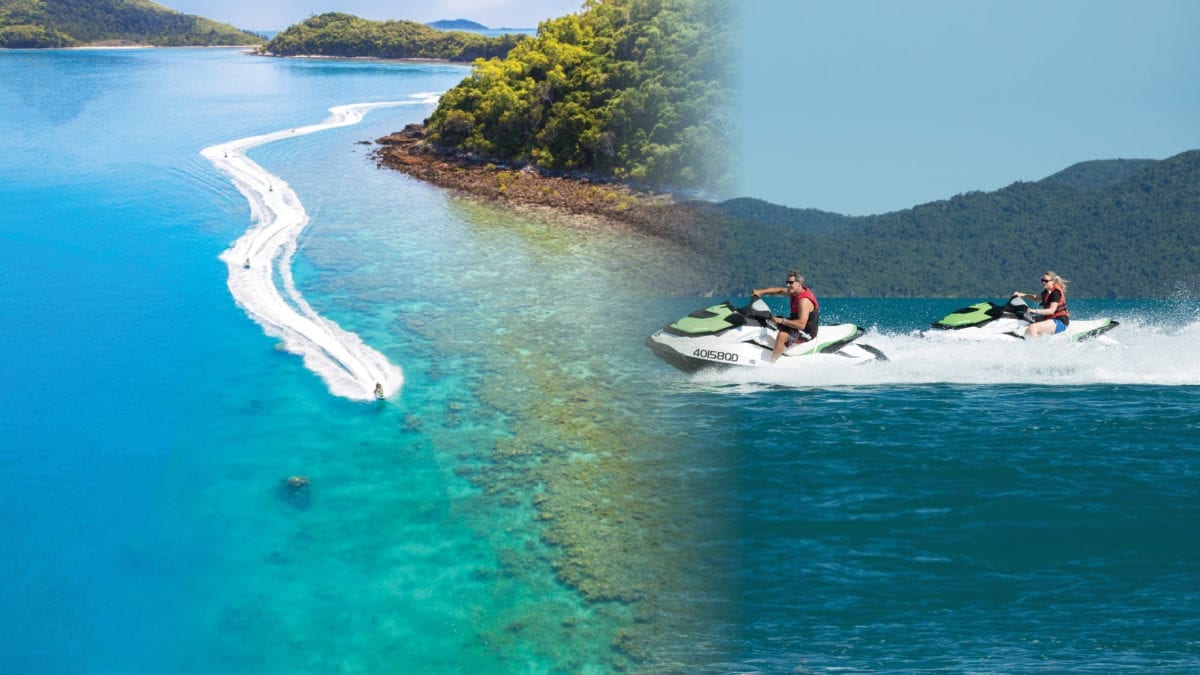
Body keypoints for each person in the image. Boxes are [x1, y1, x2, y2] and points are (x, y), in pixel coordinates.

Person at [752, 271, 819, 362]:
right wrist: (760, 292)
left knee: (782, 335)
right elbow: (779, 290)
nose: (788, 285)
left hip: (806, 332)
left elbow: (801, 325)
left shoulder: (804, 301)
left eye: (791, 283)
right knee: (767, 319)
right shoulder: (794, 292)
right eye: (787, 282)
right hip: (795, 322)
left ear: (799, 283)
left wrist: (782, 321)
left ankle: (772, 362)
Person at [1013, 271, 1070, 338]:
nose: (1043, 282)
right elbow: (1035, 298)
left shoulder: (1055, 293)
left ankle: (1037, 347)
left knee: (1033, 328)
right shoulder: (1047, 291)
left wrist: (1035, 311)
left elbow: (1051, 310)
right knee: (1026, 323)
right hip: (1050, 318)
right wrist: (1020, 295)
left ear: (1053, 281)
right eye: (1042, 280)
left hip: (1060, 321)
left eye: (1046, 281)